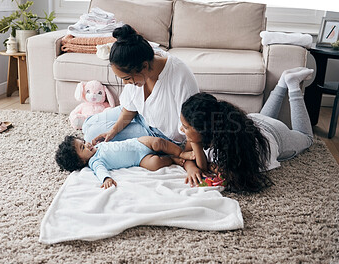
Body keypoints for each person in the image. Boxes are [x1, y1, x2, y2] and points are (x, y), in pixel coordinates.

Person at [180, 67, 314, 192]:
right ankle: (283, 82)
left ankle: (293, 85)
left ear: (203, 131)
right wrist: (192, 163)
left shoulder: (232, 151)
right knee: (263, 117)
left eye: (185, 127)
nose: (181, 129)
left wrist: (201, 157)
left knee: (307, 138)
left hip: (277, 135)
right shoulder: (224, 128)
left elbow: (236, 179)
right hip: (255, 122)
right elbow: (184, 155)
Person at [81, 24, 199, 145]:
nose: (125, 83)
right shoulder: (139, 68)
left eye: (127, 78)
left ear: (144, 66)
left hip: (158, 133)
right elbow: (130, 109)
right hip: (139, 115)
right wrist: (113, 132)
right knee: (88, 123)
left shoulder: (180, 75)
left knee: (91, 134)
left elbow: (193, 126)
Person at [55, 136, 195, 189]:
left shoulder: (99, 146)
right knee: (155, 164)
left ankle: (180, 152)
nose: (87, 145)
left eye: (83, 142)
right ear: (81, 161)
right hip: (139, 160)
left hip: (138, 143)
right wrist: (106, 178)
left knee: (158, 142)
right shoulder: (95, 161)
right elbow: (100, 170)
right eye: (82, 148)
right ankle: (173, 159)